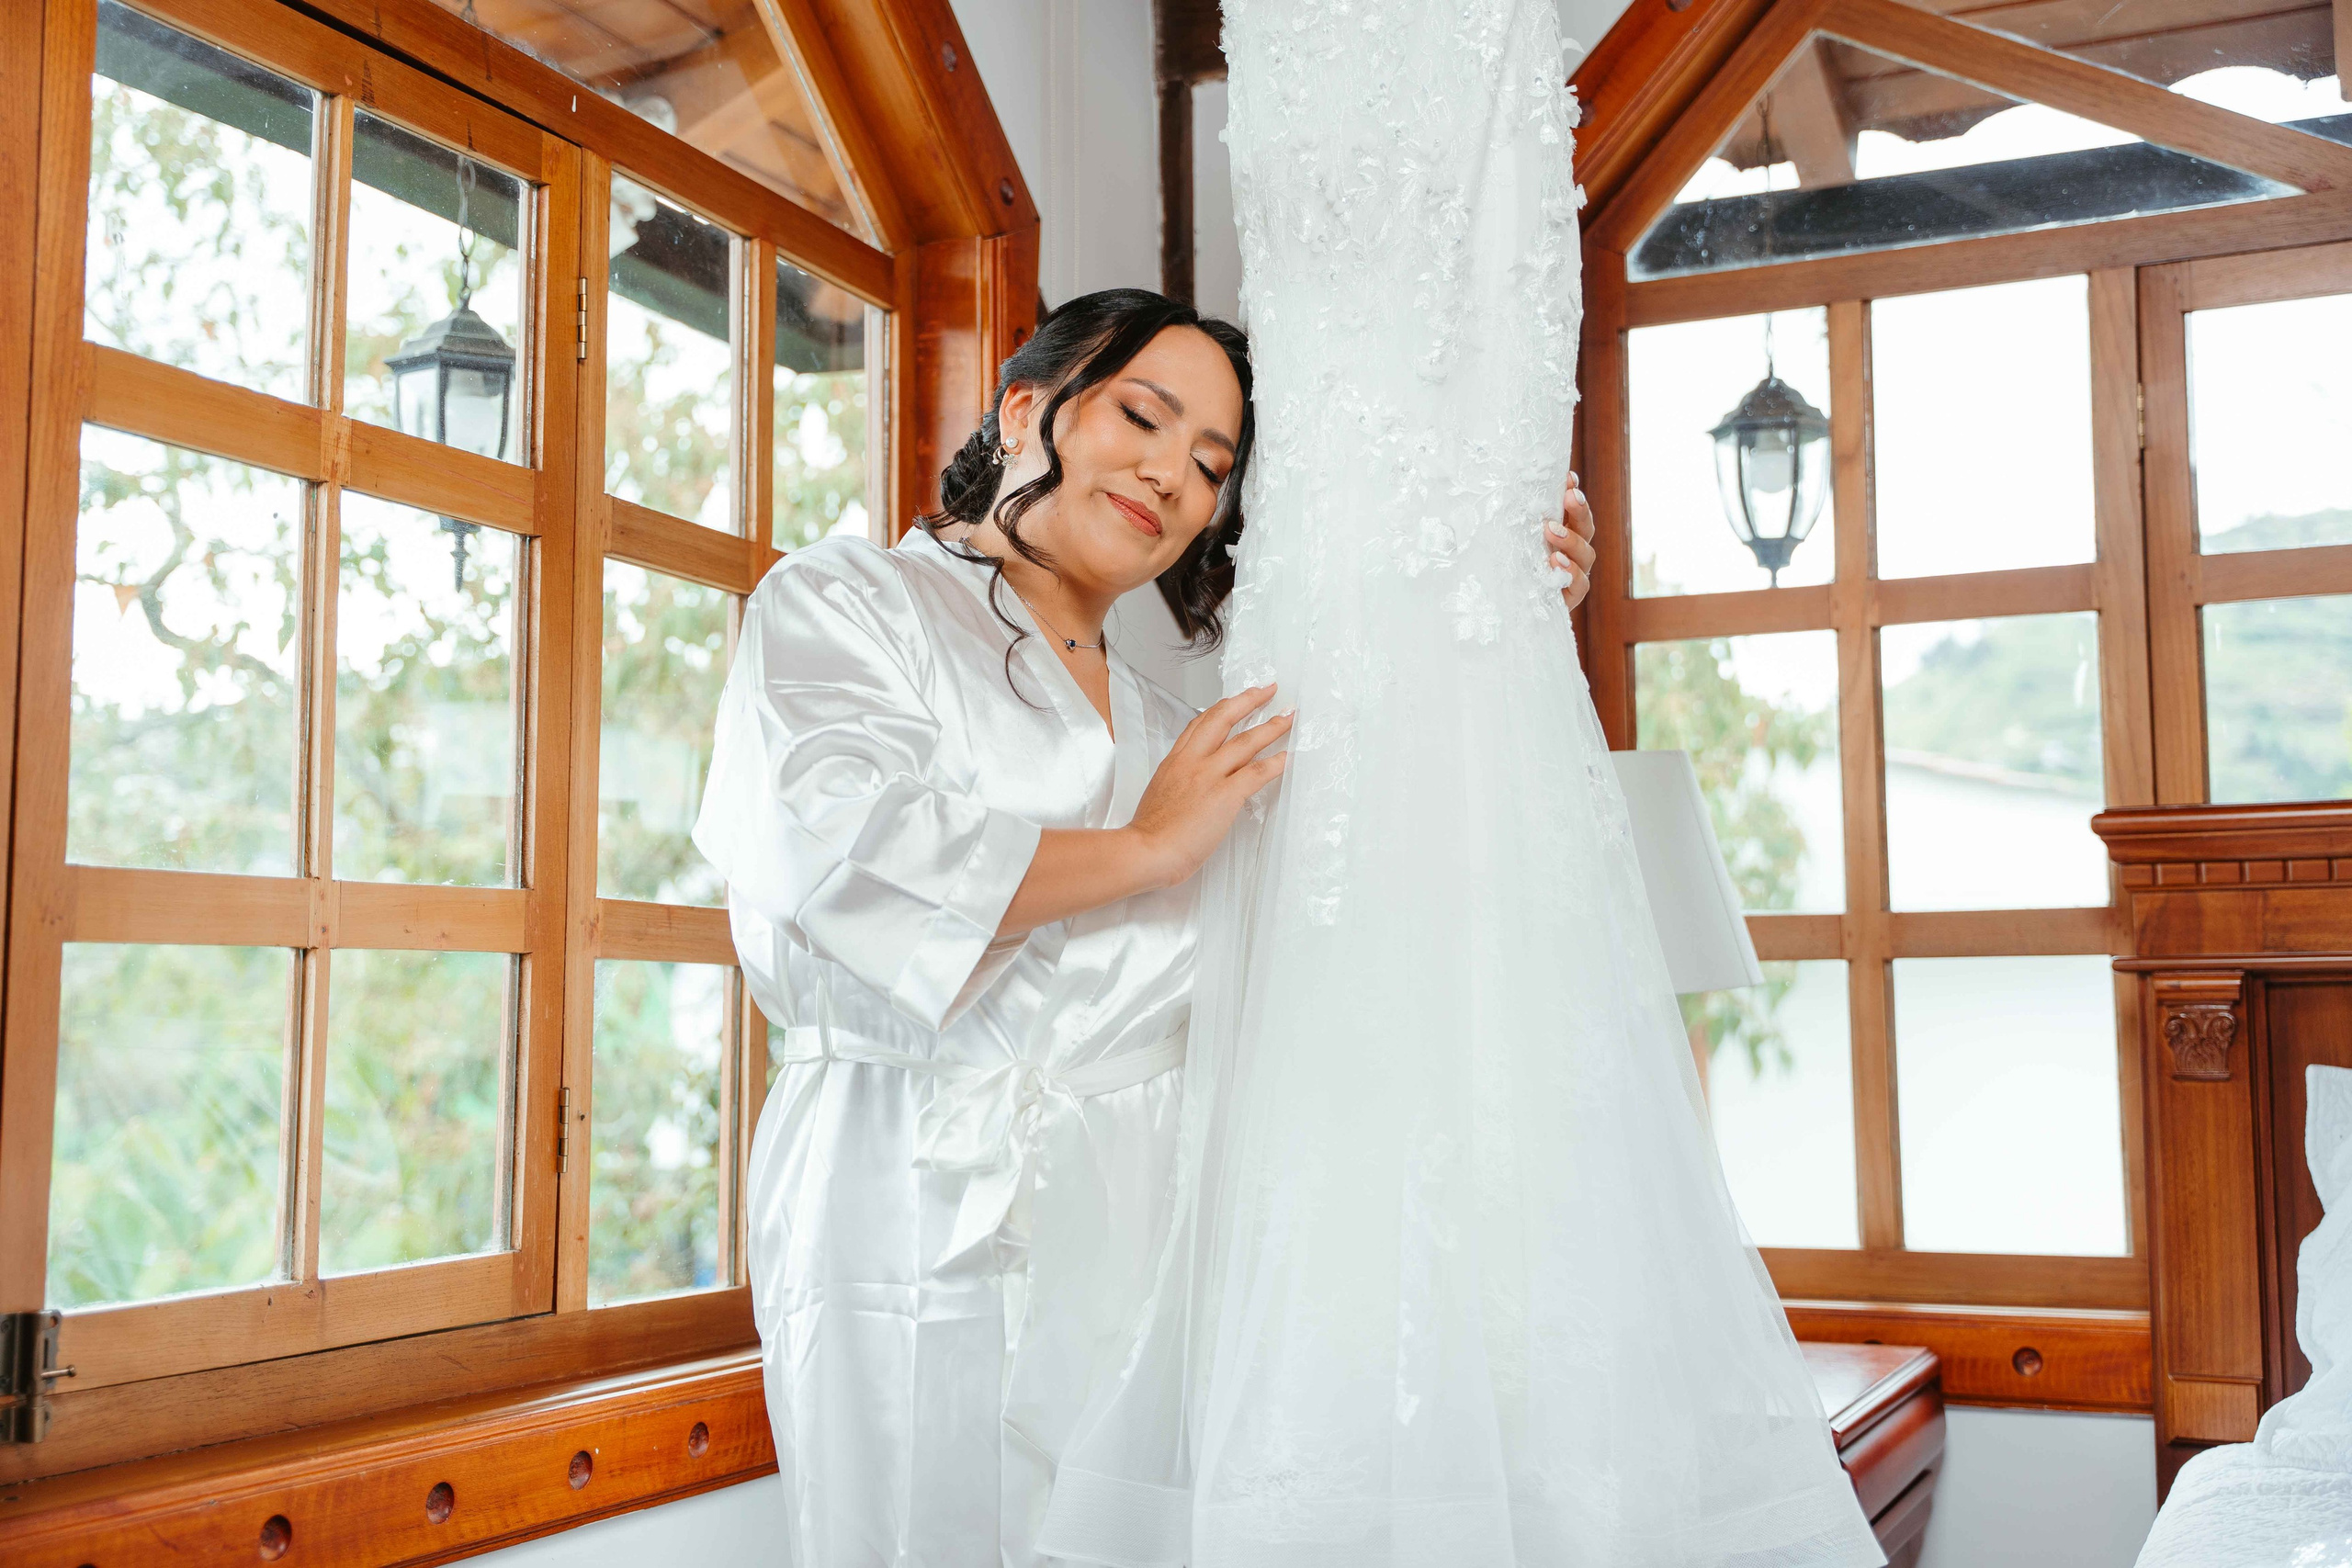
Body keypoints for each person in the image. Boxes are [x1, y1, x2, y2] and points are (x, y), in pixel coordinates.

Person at [690, 286, 1598, 1567]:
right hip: (904, 1171)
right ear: (1026, 409)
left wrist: (1509, 632)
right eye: (1144, 418)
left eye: (1213, 465)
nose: (1173, 475)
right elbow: (839, 850)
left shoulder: (1179, 731)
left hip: (1140, 1204)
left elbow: (1363, 881)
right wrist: (1145, 849)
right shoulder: (846, 603)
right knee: (916, 1533)